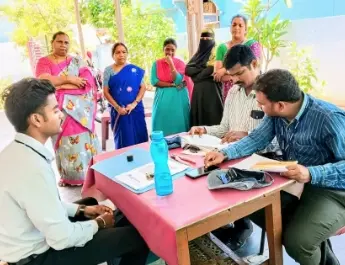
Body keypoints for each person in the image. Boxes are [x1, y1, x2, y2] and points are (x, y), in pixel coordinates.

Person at [0, 78, 150, 265]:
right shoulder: (32, 168)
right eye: (55, 110)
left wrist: (85, 211)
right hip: (38, 258)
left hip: (30, 236)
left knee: (90, 203)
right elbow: (62, 238)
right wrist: (99, 224)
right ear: (37, 119)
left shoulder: (14, 153)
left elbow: (45, 205)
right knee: (137, 237)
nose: (62, 114)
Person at [204, 69, 345, 265]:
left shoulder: (329, 118)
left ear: (280, 105)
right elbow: (256, 138)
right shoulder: (276, 115)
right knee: (252, 206)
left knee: (298, 242)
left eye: (261, 103)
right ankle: (321, 253)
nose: (258, 106)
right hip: (298, 183)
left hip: (333, 190)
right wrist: (225, 153)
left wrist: (312, 173)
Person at [35, 31, 100, 187]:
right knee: (64, 142)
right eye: (59, 42)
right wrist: (69, 79)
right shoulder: (44, 62)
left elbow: (87, 83)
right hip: (57, 110)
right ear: (52, 43)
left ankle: (91, 175)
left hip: (81, 110)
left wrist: (60, 86)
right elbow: (44, 81)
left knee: (84, 140)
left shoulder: (76, 61)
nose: (63, 45)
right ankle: (70, 177)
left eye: (66, 42)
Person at [103, 42, 148, 149]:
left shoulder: (134, 70)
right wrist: (117, 108)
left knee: (140, 137)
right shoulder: (108, 70)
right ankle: (126, 163)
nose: (121, 54)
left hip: (135, 109)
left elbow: (143, 87)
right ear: (113, 55)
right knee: (124, 140)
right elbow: (105, 92)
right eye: (117, 52)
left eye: (124, 52)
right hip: (120, 112)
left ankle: (143, 162)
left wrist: (134, 104)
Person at [213, 14, 261, 101]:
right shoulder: (222, 47)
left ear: (246, 30)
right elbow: (218, 76)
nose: (237, 27)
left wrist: (224, 70)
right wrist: (239, 73)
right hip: (229, 93)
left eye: (240, 25)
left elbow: (256, 67)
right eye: (234, 25)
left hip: (250, 90)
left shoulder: (252, 44)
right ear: (230, 28)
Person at [151, 38, 191, 136]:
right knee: (160, 121)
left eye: (173, 50)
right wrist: (171, 85)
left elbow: (179, 81)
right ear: (163, 49)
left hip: (179, 99)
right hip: (162, 99)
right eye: (167, 49)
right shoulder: (156, 63)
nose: (170, 52)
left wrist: (171, 65)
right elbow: (154, 81)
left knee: (179, 124)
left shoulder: (180, 63)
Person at [186, 28, 223, 127]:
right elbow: (187, 70)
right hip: (198, 95)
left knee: (213, 122)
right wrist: (204, 69)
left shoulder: (216, 56)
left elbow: (207, 72)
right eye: (203, 38)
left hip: (213, 95)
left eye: (208, 38)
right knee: (198, 126)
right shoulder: (198, 55)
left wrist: (197, 73)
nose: (205, 41)